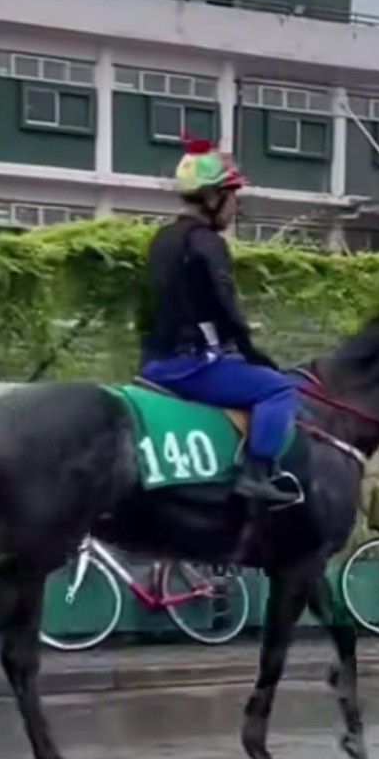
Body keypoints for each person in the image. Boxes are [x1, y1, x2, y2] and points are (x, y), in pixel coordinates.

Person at [137, 138, 300, 506]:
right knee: (277, 388)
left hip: (151, 364)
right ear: (212, 198)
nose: (234, 206)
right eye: (231, 195)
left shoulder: (159, 240)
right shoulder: (208, 243)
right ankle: (256, 474)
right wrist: (256, 355)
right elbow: (226, 310)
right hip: (190, 365)